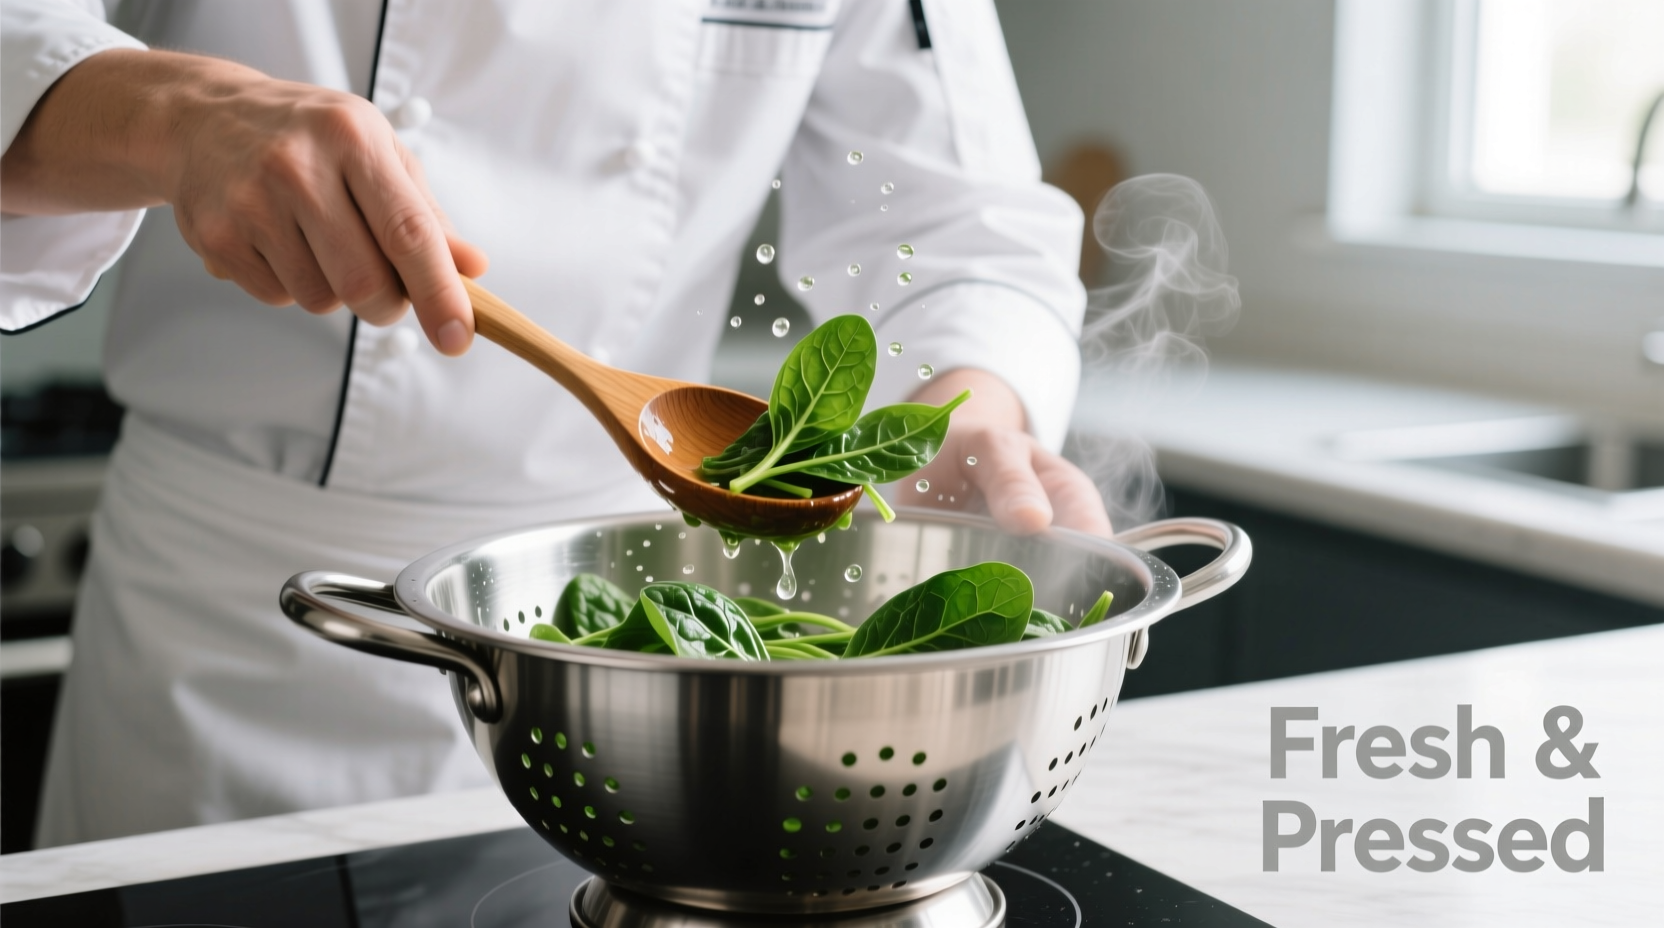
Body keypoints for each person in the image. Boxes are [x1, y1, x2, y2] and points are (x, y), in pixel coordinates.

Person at [0, 0, 1109, 847]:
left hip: (616, 673)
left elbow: (963, 221)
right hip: (226, 634)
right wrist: (176, 113)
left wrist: (969, 404)